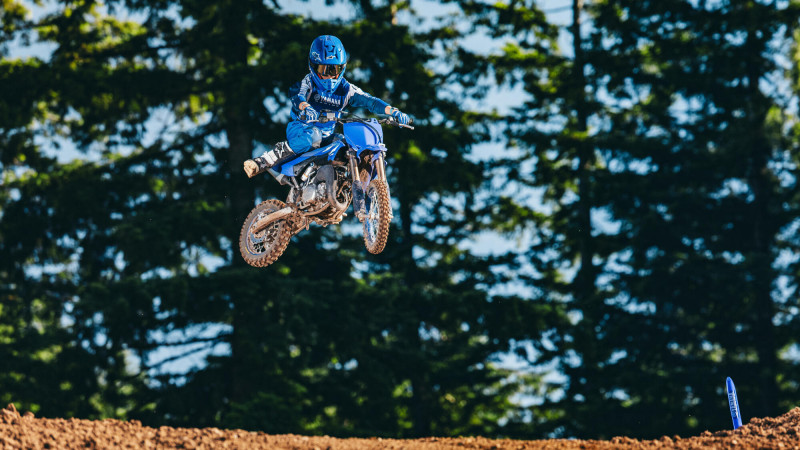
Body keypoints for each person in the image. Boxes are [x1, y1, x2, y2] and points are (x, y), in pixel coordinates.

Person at [244, 35, 411, 178]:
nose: (330, 76)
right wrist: (305, 107)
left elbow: (371, 101)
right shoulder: (308, 82)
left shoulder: (347, 90)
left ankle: (346, 187)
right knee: (312, 136)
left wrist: (393, 111)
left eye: (334, 70)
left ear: (342, 68)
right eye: (324, 70)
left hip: (327, 136)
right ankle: (264, 160)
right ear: (313, 66)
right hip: (302, 129)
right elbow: (297, 96)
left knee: (351, 145)